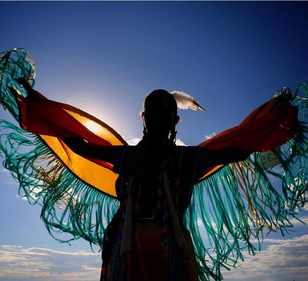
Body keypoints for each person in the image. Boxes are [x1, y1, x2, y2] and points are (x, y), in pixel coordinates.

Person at [15, 81, 250, 281]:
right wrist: (38, 104)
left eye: (163, 115)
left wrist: (272, 121)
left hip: (162, 250)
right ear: (144, 118)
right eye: (153, 115)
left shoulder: (186, 158)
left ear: (174, 120)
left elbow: (239, 150)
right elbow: (79, 147)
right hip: (132, 249)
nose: (157, 120)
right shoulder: (133, 156)